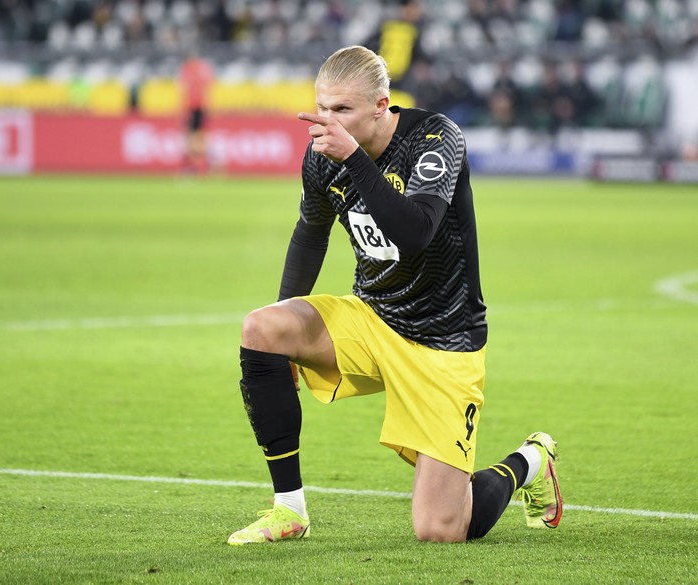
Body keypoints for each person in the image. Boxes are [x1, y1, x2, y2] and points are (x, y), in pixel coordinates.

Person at [228, 45, 562, 545]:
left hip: (444, 342)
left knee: (442, 529)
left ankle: (531, 461)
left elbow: (415, 234)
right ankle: (288, 510)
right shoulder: (324, 154)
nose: (327, 122)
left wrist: (356, 159)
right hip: (372, 319)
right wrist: (286, 336)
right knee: (263, 327)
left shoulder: (436, 138)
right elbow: (311, 232)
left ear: (382, 105)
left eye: (342, 110)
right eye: (323, 108)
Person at [178, 48, 215, 173]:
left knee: (192, 138)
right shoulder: (204, 68)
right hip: (200, 106)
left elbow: (184, 88)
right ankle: (208, 161)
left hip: (193, 107)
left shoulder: (188, 69)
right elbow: (209, 86)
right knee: (199, 137)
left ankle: (193, 166)